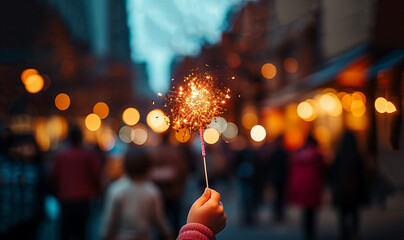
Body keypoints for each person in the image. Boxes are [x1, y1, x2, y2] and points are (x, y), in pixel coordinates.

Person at [100, 148, 174, 240]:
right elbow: (159, 219)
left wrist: (105, 235)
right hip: (144, 236)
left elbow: (109, 220)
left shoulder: (116, 189)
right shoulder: (152, 190)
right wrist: (168, 234)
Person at [51, 126, 102, 240]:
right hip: (84, 198)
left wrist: (56, 193)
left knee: (65, 231)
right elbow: (96, 175)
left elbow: (54, 176)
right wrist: (98, 193)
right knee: (82, 231)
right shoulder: (89, 155)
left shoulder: (61, 156)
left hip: (65, 198)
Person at [328, 131, 368, 240]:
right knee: (354, 213)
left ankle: (344, 234)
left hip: (342, 191)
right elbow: (363, 176)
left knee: (343, 214)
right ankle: (354, 232)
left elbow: (332, 173)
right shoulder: (358, 156)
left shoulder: (339, 156)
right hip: (355, 191)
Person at [288, 135, 324, 240]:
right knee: (313, 212)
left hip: (302, 187)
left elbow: (293, 173)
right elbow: (322, 172)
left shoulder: (298, 155)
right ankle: (312, 232)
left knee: (305, 211)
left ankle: (306, 232)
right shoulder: (317, 156)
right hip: (314, 186)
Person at [267, 135, 288, 223]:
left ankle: (277, 213)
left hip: (276, 177)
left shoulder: (274, 152)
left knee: (277, 197)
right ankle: (279, 213)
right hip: (281, 177)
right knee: (280, 196)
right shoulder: (283, 152)